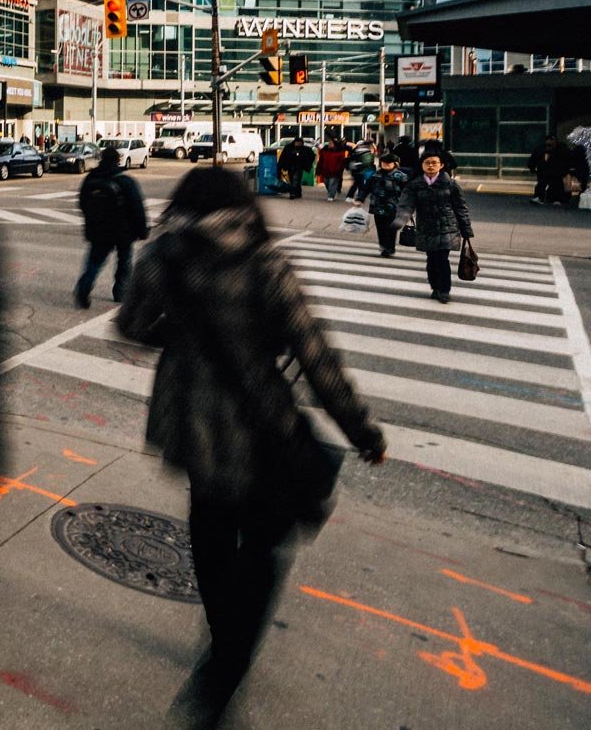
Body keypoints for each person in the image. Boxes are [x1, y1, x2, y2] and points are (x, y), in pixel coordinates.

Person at [115, 165, 385, 727]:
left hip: (193, 425)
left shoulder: (161, 256)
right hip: (259, 430)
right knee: (260, 554)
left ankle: (221, 644)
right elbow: (316, 358)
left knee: (209, 535)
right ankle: (229, 662)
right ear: (244, 205)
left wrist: (184, 337)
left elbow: (133, 326)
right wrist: (363, 432)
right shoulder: (265, 262)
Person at [74, 146, 149, 309]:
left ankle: (83, 288)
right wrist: (142, 230)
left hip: (98, 230)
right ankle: (120, 292)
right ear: (117, 160)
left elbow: (82, 203)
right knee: (124, 262)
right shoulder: (124, 180)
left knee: (94, 263)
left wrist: (93, 220)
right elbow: (137, 208)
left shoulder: (90, 178)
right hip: (123, 231)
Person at [404, 152, 473, 304]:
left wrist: (466, 229)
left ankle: (444, 290)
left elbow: (461, 207)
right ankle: (435, 287)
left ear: (441, 165)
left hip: (447, 227)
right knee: (431, 259)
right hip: (426, 227)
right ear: (422, 165)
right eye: (427, 162)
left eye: (434, 162)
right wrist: (400, 219)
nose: (430, 165)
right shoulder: (415, 185)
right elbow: (406, 204)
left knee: (442, 259)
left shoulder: (451, 184)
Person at [352, 150, 410, 258]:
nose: (385, 165)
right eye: (383, 163)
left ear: (395, 164)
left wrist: (407, 204)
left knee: (391, 228)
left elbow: (407, 191)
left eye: (388, 163)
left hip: (394, 206)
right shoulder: (375, 175)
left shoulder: (401, 176)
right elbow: (366, 188)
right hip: (378, 205)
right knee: (380, 227)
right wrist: (360, 199)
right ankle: (383, 246)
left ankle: (390, 247)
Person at [529, 135, 569, 205]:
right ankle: (540, 197)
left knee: (556, 184)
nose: (549, 142)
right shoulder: (540, 149)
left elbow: (565, 160)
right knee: (542, 183)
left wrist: (564, 170)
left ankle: (556, 198)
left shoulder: (561, 150)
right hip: (544, 170)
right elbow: (533, 159)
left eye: (551, 140)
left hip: (555, 171)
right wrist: (532, 167)